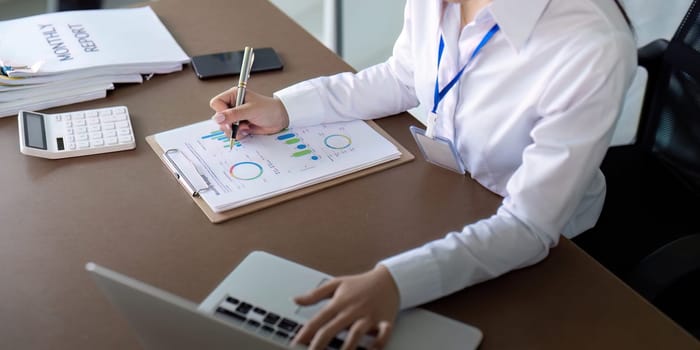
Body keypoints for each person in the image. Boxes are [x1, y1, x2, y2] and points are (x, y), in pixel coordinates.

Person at [210, 0, 637, 348]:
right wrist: (286, 108)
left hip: (550, 249)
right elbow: (404, 76)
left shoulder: (592, 45)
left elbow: (529, 224)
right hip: (442, 195)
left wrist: (397, 281)